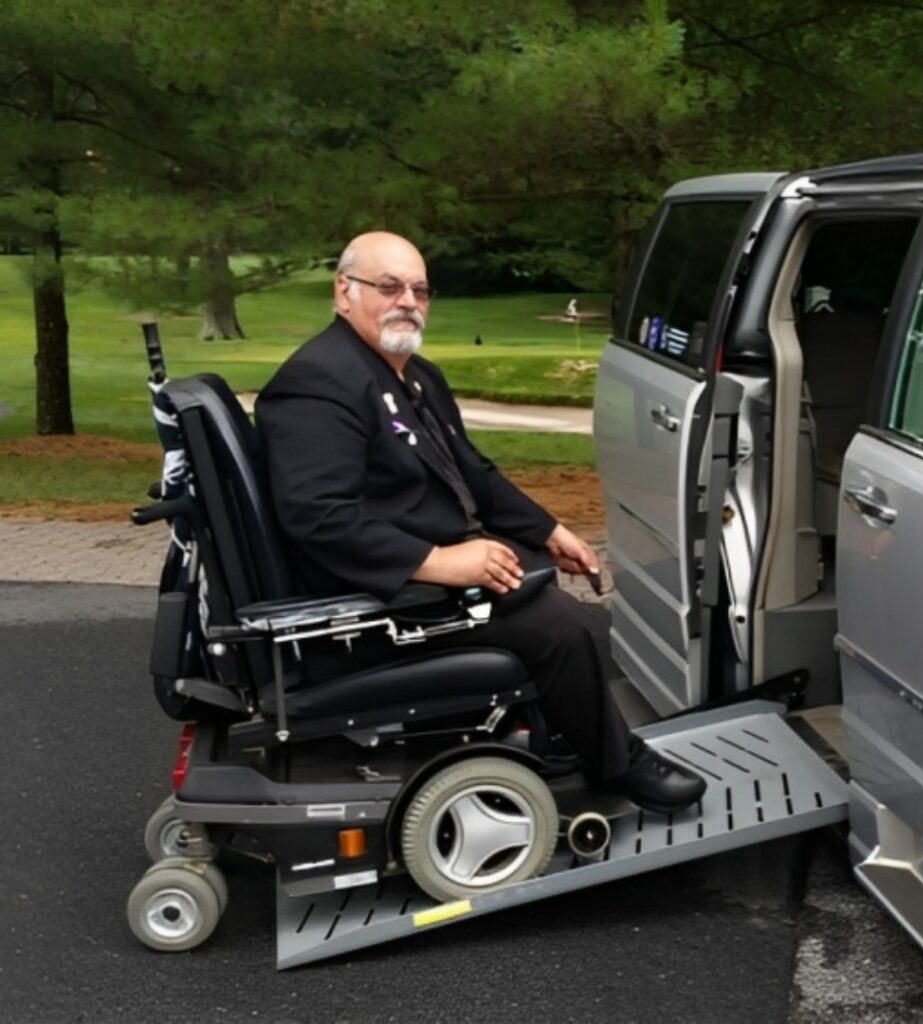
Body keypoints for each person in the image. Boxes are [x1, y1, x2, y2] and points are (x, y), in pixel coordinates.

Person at [255, 231, 705, 814]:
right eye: (388, 287)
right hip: (368, 603)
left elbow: (474, 472)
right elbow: (317, 515)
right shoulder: (318, 384)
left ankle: (557, 735)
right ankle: (617, 765)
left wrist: (546, 529)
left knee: (546, 577)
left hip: (424, 567)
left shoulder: (414, 375)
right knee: (564, 626)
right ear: (345, 292)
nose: (408, 301)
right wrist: (440, 562)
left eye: (419, 289)